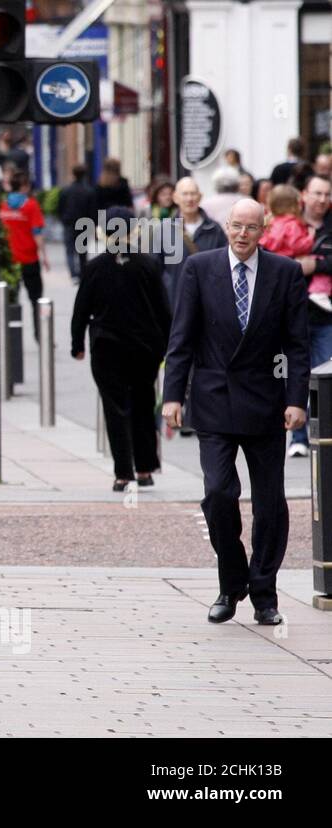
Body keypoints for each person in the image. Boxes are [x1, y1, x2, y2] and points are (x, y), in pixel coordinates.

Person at [162, 199, 309, 626]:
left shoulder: (283, 273)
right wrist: (172, 396)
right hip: (213, 399)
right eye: (235, 226)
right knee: (218, 493)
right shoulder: (199, 268)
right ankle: (232, 582)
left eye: (250, 227)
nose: (242, 235)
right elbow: (181, 338)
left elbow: (297, 346)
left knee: (269, 505)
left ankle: (264, 593)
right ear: (225, 226)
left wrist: (296, 400)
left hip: (266, 403)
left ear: (263, 230)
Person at [71, 208, 171, 491]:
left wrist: (77, 343)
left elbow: (81, 308)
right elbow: (163, 310)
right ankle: (144, 468)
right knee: (142, 404)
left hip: (107, 347)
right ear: (134, 231)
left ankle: (122, 473)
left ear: (103, 233)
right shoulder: (149, 265)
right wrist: (170, 345)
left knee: (115, 408)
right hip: (144, 347)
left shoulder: (95, 267)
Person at [289, 173, 332, 457]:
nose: (322, 199)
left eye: (327, 194)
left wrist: (314, 266)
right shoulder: (289, 224)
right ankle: (298, 437)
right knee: (293, 374)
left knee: (325, 372)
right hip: (292, 313)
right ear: (304, 194)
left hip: (325, 314)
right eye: (317, 193)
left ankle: (324, 432)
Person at [164, 176, 227, 312]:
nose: (189, 199)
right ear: (175, 198)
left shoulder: (214, 229)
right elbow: (155, 268)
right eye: (185, 194)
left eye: (193, 193)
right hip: (174, 305)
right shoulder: (163, 230)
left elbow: (225, 265)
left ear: (200, 196)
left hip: (208, 305)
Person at [0, 169, 49, 341]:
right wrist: (44, 256)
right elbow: (37, 233)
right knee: (36, 299)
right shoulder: (31, 206)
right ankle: (39, 334)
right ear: (25, 186)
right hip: (29, 259)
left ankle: (9, 334)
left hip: (10, 260)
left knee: (10, 300)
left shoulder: (3, 205)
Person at [258, 184, 320, 306]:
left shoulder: (270, 221)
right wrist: (310, 238)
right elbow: (297, 246)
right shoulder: (292, 224)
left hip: (271, 265)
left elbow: (264, 242)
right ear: (294, 204)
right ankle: (319, 292)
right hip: (289, 264)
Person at [58, 163, 99, 285]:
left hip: (69, 223)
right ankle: (82, 273)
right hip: (84, 223)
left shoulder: (66, 190)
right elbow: (93, 210)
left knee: (70, 250)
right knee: (82, 251)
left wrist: (63, 219)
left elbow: (60, 207)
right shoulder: (89, 191)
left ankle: (73, 274)